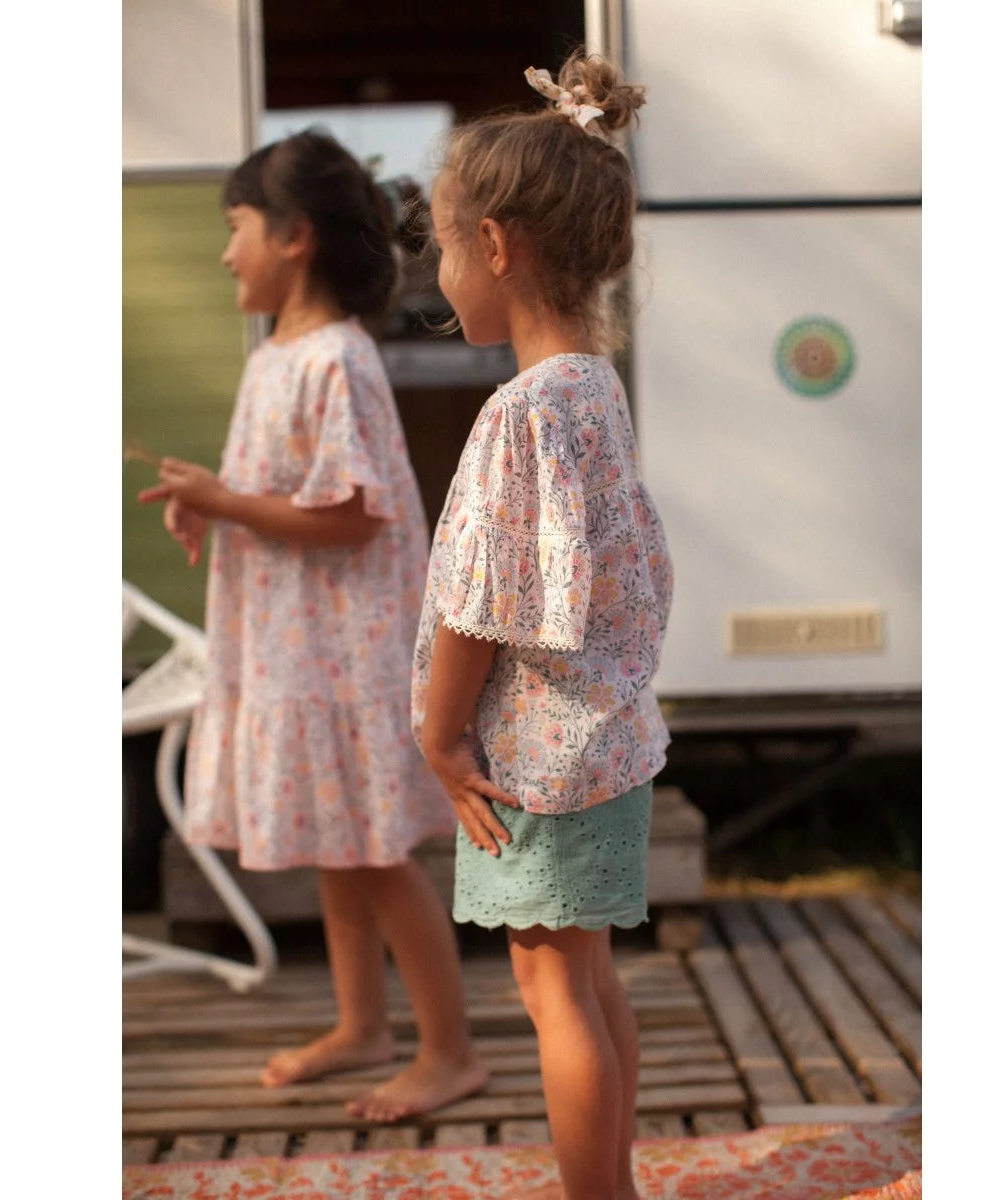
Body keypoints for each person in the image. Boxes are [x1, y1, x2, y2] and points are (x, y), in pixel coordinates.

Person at [137, 130, 487, 1122]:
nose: (225, 252)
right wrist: (213, 503)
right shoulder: (275, 358)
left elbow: (354, 514)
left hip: (346, 651)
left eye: (235, 228)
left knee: (374, 852)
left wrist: (228, 501)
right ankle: (363, 1026)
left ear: (293, 237)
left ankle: (450, 1052)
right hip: (299, 646)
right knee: (344, 842)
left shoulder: (339, 359)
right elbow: (286, 490)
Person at [413, 53, 672, 1200]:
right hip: (607, 743)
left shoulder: (522, 410)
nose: (439, 271)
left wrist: (440, 735)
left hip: (541, 763)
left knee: (552, 992)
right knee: (592, 981)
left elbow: (482, 603)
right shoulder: (595, 387)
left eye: (442, 245)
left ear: (496, 244)